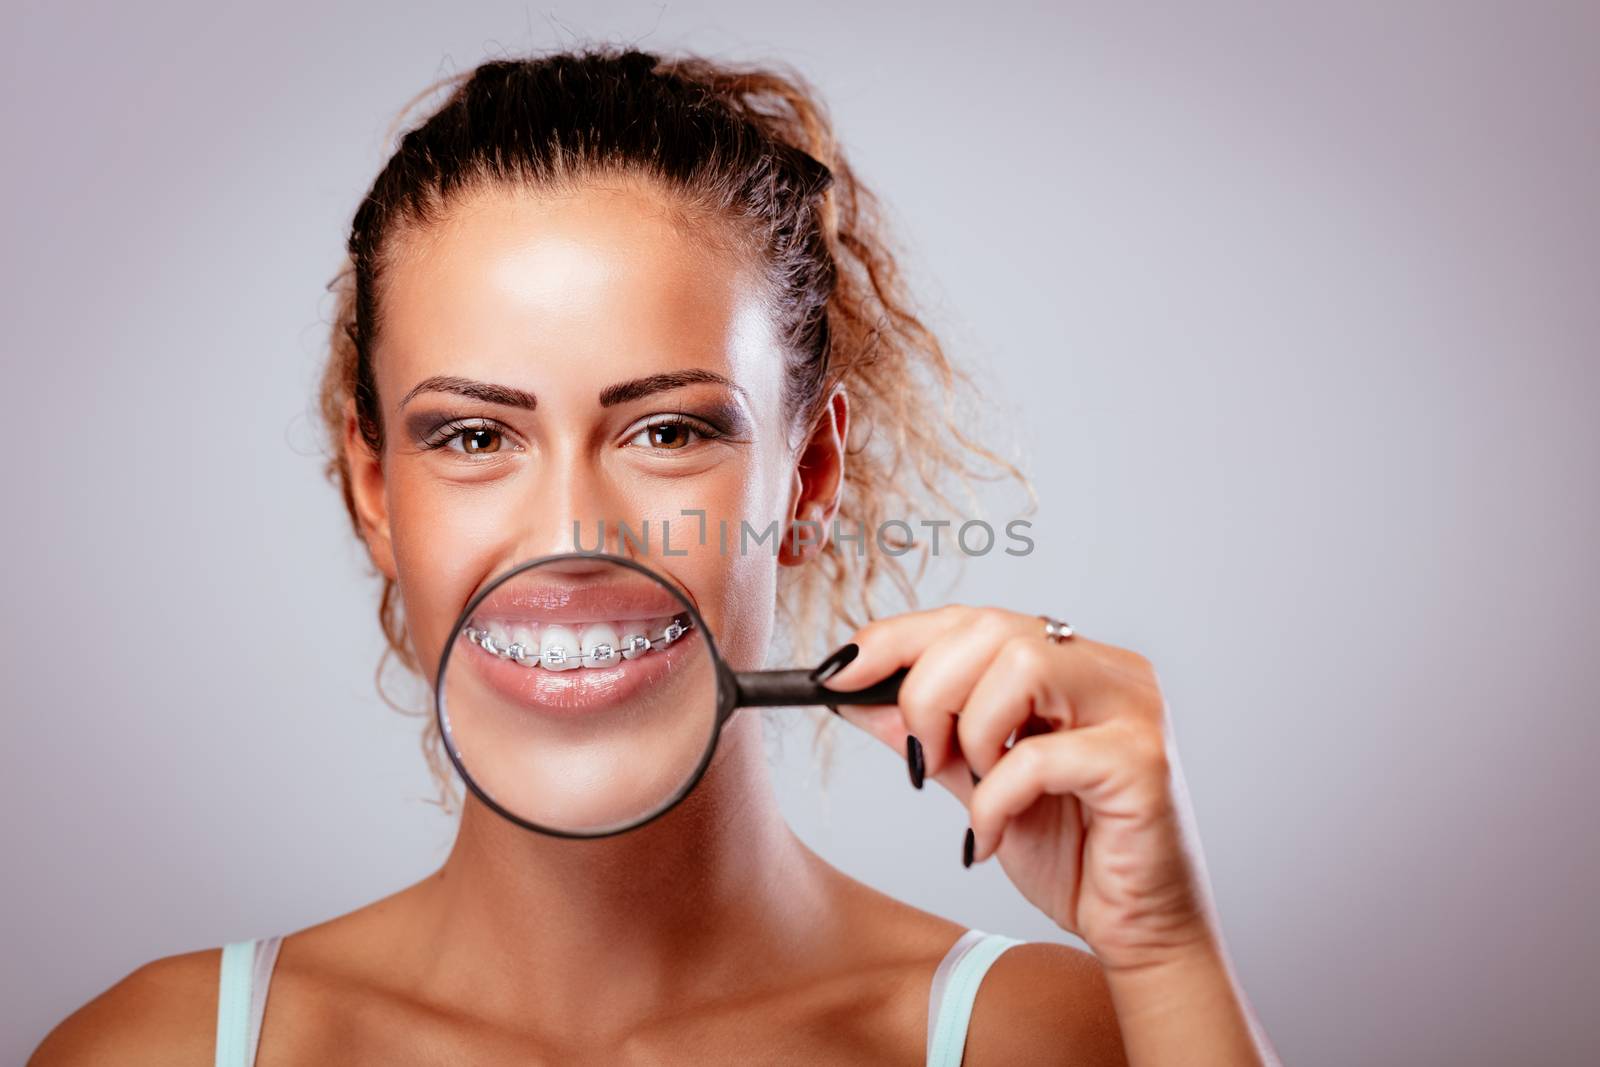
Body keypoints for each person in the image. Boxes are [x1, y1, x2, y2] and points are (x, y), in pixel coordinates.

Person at [29, 45, 1278, 1065]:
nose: (575, 535)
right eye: (473, 434)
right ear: (375, 487)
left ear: (809, 478)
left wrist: (1166, 954)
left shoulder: (1041, 1039)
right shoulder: (159, 1047)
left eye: (667, 429)